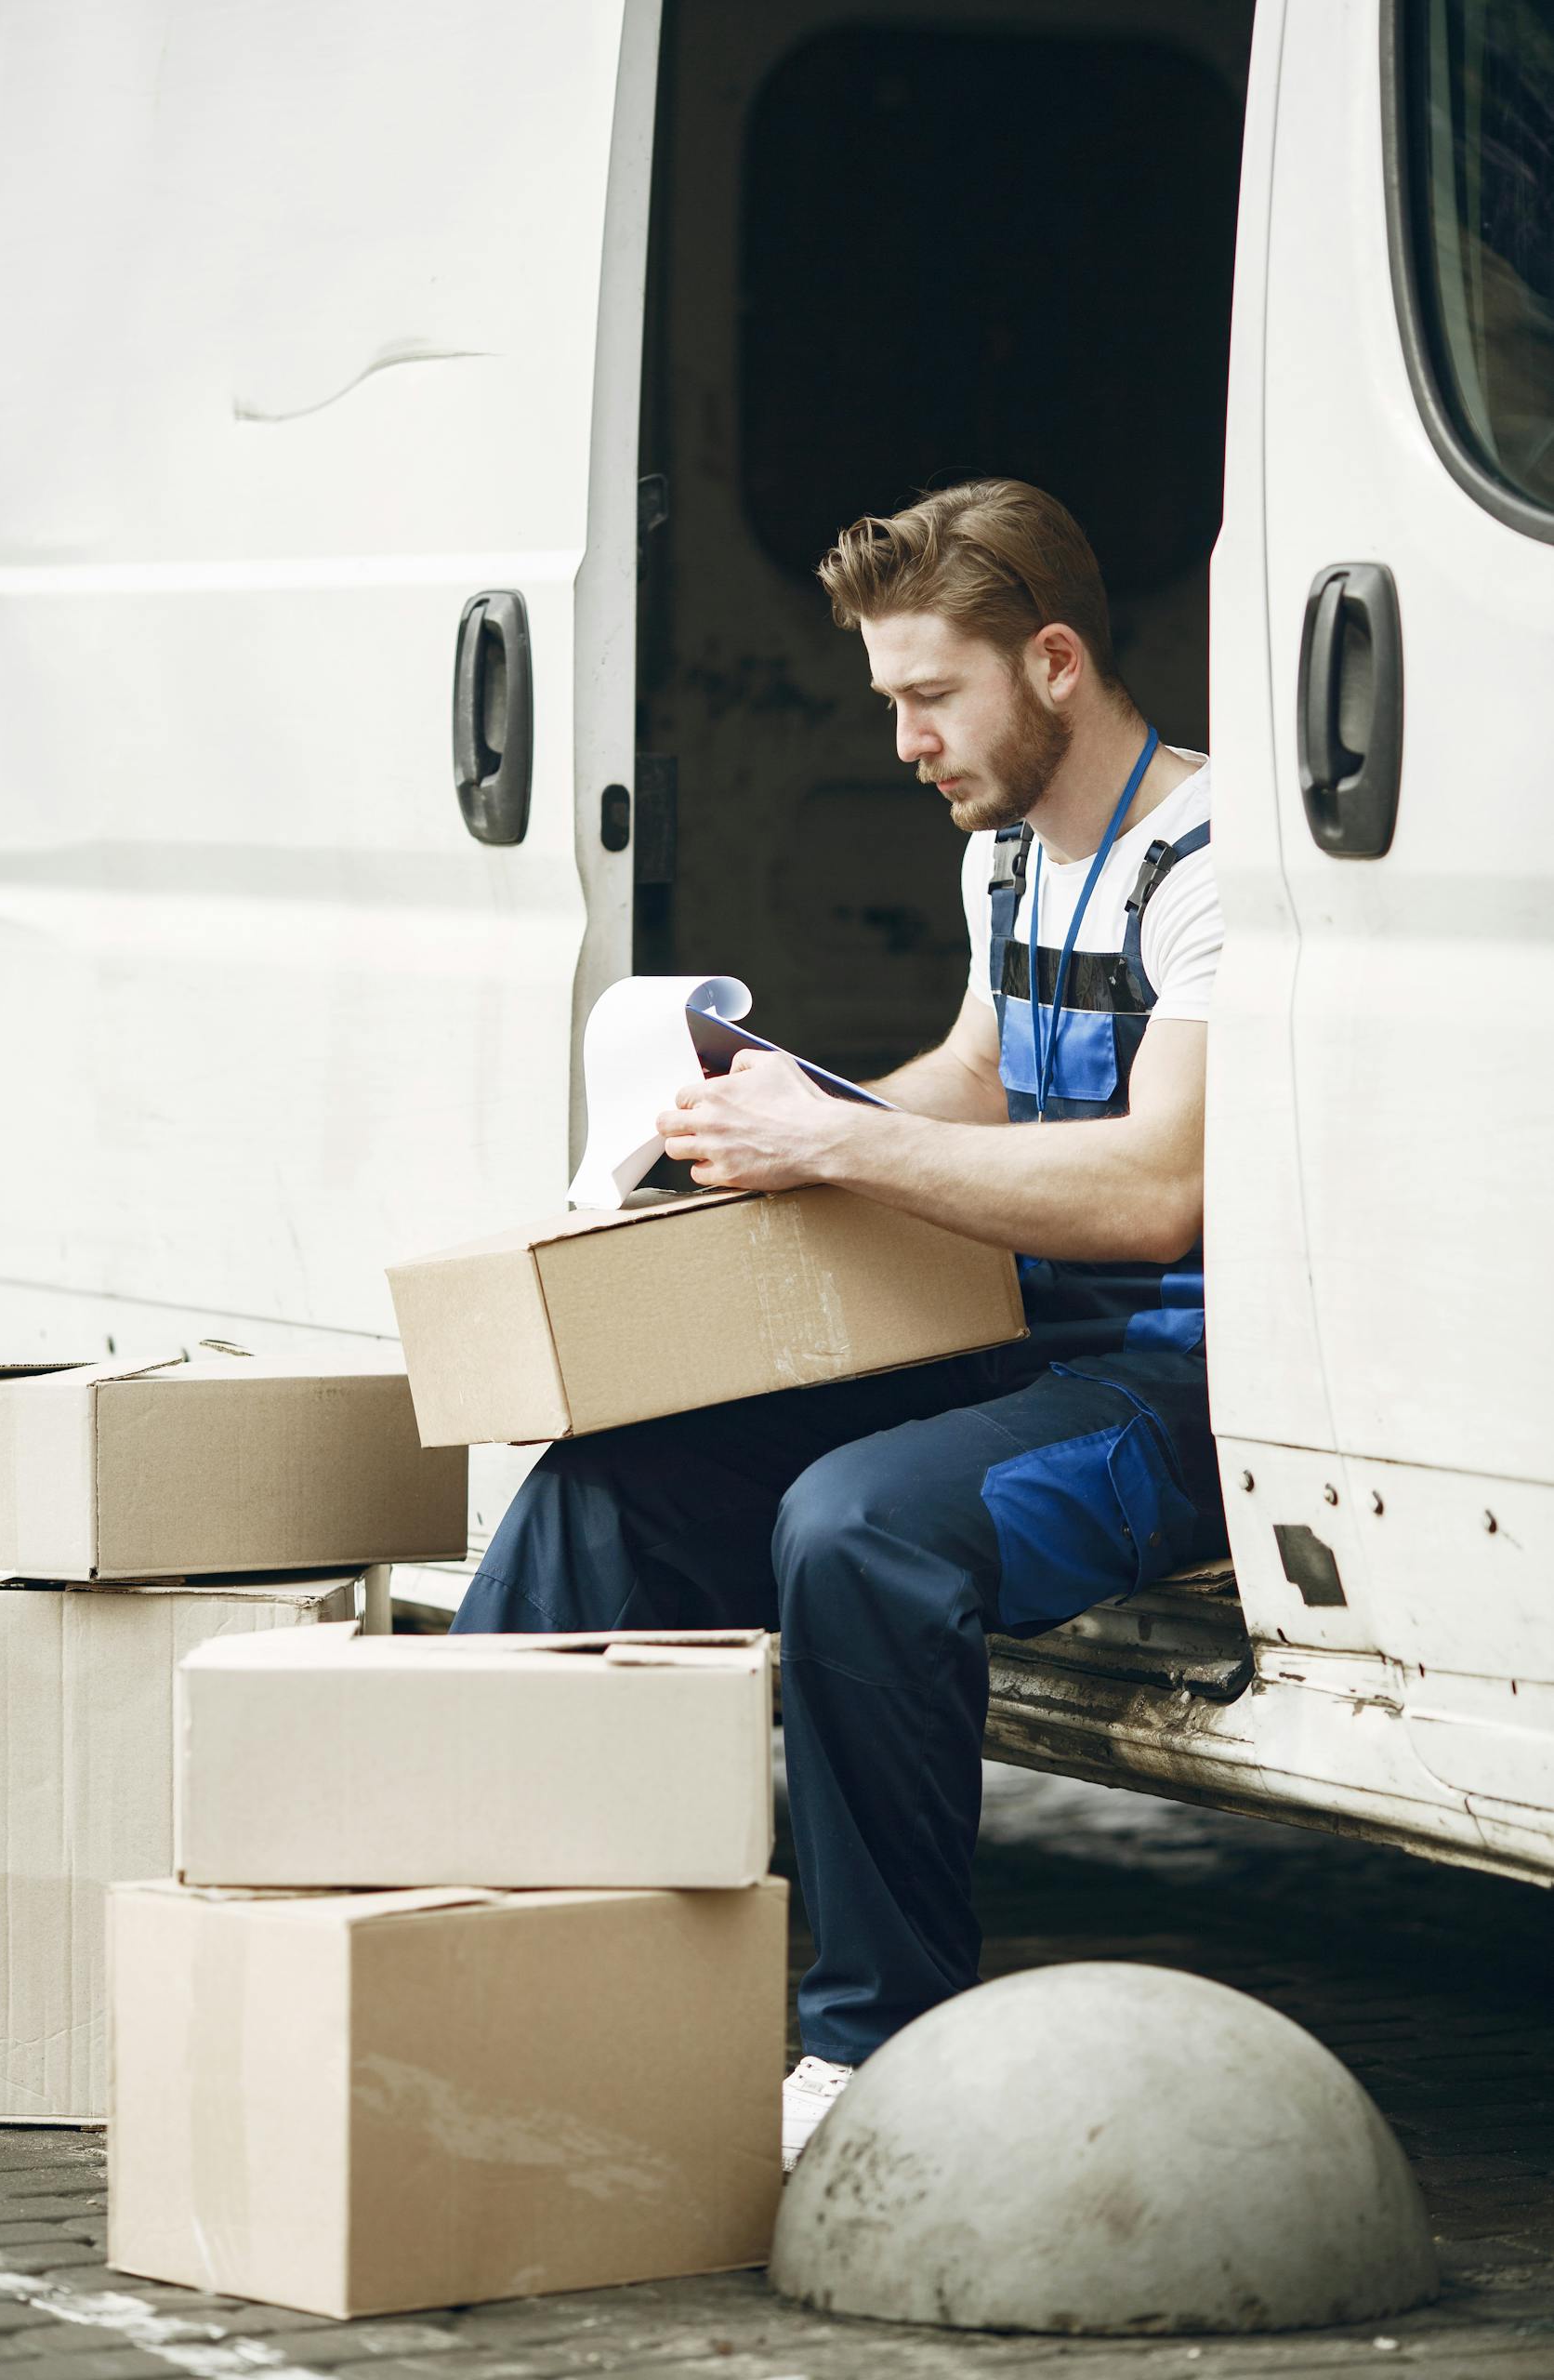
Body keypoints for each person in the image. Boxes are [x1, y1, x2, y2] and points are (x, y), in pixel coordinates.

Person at [452, 479, 1228, 2170]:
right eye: (890, 702)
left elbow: (1159, 1189)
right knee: (616, 1472)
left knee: (860, 1530)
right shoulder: (1012, 853)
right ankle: (456, 1920)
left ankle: (875, 2052)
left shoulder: (1212, 867)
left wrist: (847, 1144)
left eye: (929, 697)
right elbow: (974, 1075)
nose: (905, 743)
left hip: (1183, 1396)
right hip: (1025, 1350)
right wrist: (775, 1127)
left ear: (1055, 663)